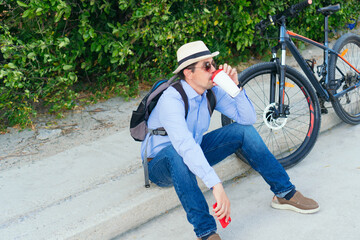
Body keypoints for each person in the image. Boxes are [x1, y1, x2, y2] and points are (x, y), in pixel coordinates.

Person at [140, 40, 319, 240]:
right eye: (207, 66)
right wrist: (215, 184)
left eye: (213, 64)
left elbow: (247, 119)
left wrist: (236, 88)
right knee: (178, 155)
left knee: (243, 131)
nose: (213, 69)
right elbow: (184, 146)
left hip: (194, 150)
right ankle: (206, 232)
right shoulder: (171, 100)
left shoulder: (211, 91)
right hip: (161, 164)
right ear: (189, 73)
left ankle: (284, 193)